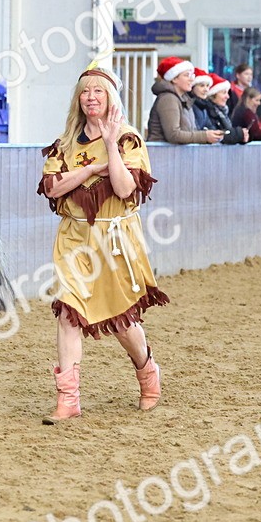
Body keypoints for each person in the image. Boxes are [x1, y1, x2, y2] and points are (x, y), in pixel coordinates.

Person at [38, 65, 169, 423]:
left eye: (98, 91)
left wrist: (109, 146)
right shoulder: (65, 143)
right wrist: (86, 172)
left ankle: (147, 371)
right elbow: (52, 187)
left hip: (114, 239)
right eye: (85, 92)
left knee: (121, 320)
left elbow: (126, 189)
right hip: (74, 238)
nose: (91, 97)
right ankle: (68, 400)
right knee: (68, 312)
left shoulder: (128, 140)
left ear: (111, 97)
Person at [145, 57, 224, 144]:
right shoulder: (168, 99)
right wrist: (205, 136)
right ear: (174, 79)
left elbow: (191, 131)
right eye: (186, 75)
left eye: (191, 75)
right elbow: (173, 135)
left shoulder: (184, 99)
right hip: (164, 154)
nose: (191, 79)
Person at [203, 74, 248, 144]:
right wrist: (239, 134)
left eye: (227, 93)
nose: (227, 97)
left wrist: (242, 136)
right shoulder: (207, 111)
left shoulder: (223, 113)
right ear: (213, 94)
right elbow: (218, 136)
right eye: (224, 93)